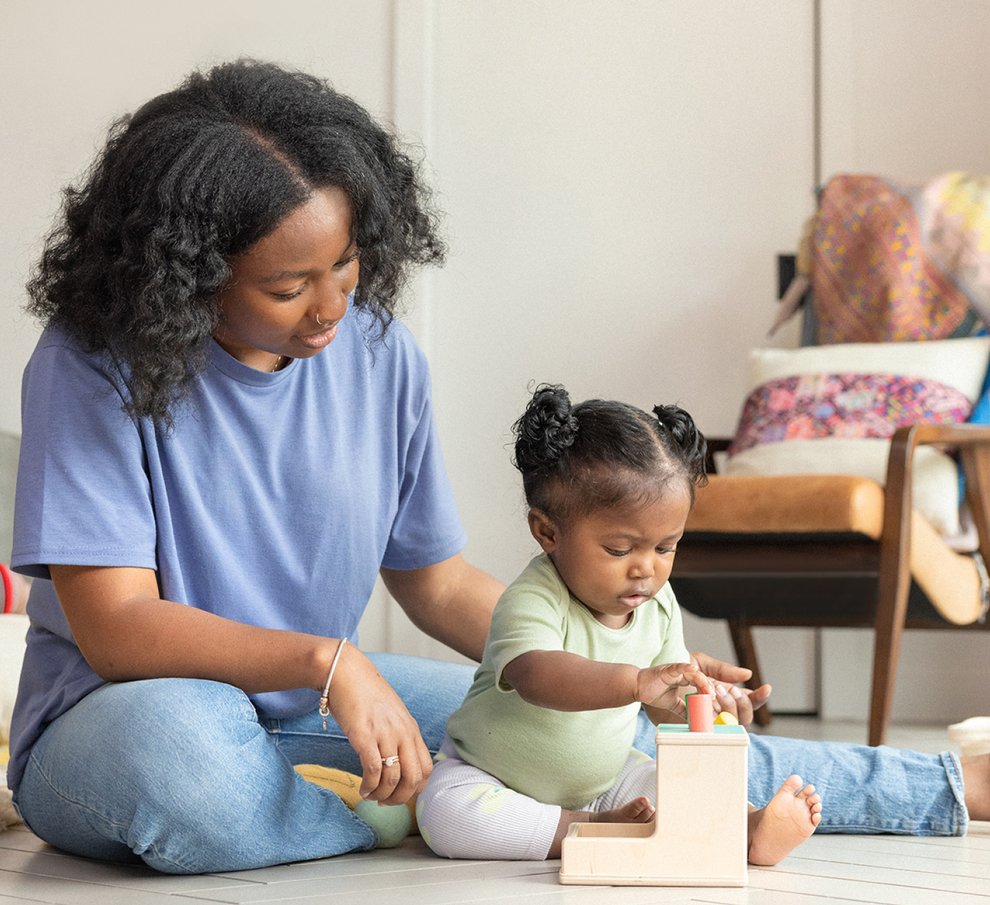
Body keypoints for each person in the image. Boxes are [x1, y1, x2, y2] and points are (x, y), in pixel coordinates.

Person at [6, 58, 987, 877]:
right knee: (180, 764)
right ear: (183, 273)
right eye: (287, 285)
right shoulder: (92, 362)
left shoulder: (380, 355)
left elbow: (433, 580)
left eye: (346, 267)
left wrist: (620, 670)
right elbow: (117, 625)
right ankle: (420, 811)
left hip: (327, 706)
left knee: (601, 730)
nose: (330, 309)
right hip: (121, 715)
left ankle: (941, 785)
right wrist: (328, 660)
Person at [417, 385, 823, 864]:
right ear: (548, 532)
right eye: (619, 549)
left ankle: (747, 828)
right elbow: (538, 677)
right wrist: (636, 682)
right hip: (493, 775)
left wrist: (707, 705)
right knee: (445, 812)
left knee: (675, 778)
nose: (645, 569)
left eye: (665, 547)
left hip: (607, 783)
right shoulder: (533, 597)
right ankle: (582, 830)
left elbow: (664, 706)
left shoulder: (659, 604)